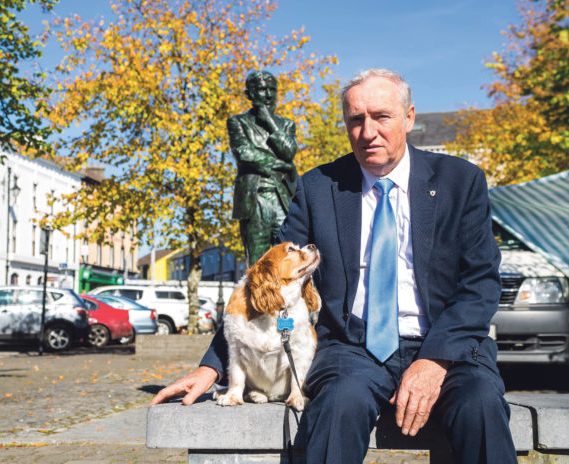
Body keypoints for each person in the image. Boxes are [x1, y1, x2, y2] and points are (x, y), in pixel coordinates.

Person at [152, 68, 517, 464]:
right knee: (338, 405)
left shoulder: (460, 182)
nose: (368, 132)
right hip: (352, 348)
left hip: (449, 347)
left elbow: (480, 283)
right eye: (356, 120)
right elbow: (270, 280)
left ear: (409, 117)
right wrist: (214, 366)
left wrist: (434, 359)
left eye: (381, 117)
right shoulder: (317, 188)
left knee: (479, 405)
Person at [227, 70, 298, 265]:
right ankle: (257, 297)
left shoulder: (286, 125)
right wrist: (281, 164)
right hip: (254, 198)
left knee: (288, 257)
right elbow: (244, 153)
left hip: (281, 198)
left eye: (271, 90)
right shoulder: (238, 122)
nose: (267, 95)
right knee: (257, 263)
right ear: (249, 94)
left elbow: (289, 152)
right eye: (261, 89)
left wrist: (269, 122)